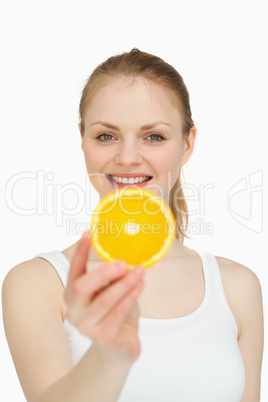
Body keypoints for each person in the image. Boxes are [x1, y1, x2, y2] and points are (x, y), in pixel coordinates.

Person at [2, 48, 264, 402]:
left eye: (153, 136)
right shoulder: (38, 283)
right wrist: (109, 359)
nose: (127, 157)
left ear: (187, 144)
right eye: (106, 136)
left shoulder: (238, 287)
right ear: (82, 140)